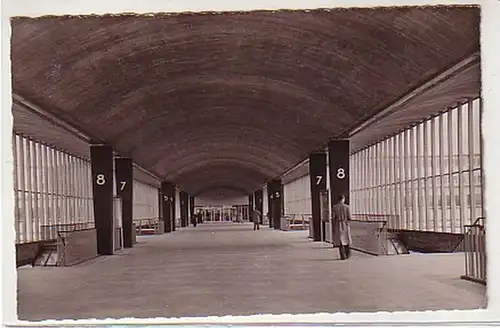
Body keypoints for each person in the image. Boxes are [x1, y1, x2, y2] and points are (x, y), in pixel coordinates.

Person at [331, 194, 352, 260]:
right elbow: (349, 217)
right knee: (347, 240)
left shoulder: (334, 207)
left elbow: (333, 217)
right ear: (343, 199)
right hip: (345, 225)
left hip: (338, 225)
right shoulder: (347, 207)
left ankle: (342, 256)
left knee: (341, 241)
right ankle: (347, 254)